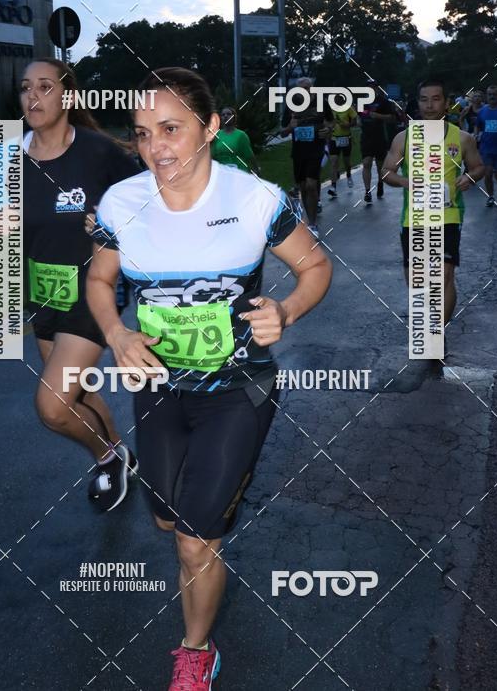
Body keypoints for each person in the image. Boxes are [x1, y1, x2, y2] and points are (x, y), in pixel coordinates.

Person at [86, 67, 332, 690]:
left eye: (171, 129)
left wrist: (287, 309)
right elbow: (98, 280)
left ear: (210, 127)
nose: (156, 148)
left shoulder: (253, 199)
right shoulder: (122, 202)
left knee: (196, 538)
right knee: (169, 522)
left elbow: (315, 266)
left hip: (238, 390)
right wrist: (115, 332)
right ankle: (206, 525)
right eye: (142, 134)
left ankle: (196, 650)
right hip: (158, 388)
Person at [0, 58, 140, 511]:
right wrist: (3, 222)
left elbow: (147, 204)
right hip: (44, 292)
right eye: (26, 88)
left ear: (68, 96)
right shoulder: (9, 154)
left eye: (46, 87)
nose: (33, 96)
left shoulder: (98, 151)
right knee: (78, 392)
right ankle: (120, 454)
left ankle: (108, 457)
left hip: (95, 292)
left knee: (52, 405)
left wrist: (109, 221)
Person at [383, 79, 484, 342]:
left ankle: (435, 332)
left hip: (448, 215)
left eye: (436, 98)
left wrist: (470, 178)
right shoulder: (404, 138)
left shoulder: (462, 138)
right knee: (417, 282)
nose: (429, 105)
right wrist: (407, 182)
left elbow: (478, 167)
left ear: (446, 102)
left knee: (444, 275)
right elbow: (386, 172)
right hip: (414, 218)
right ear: (418, 103)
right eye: (424, 99)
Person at [280, 77, 333, 234]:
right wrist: (290, 126)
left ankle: (312, 223)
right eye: (301, 89)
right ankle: (311, 212)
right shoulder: (291, 105)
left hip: (316, 149)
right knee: (303, 187)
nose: (305, 92)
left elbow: (331, 121)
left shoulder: (322, 102)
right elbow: (282, 132)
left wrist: (328, 130)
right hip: (299, 151)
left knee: (310, 184)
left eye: (307, 89)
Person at [359, 81, 396, 203]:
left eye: (373, 88)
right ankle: (367, 191)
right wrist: (366, 115)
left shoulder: (383, 102)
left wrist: (377, 116)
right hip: (366, 136)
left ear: (377, 89)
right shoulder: (362, 101)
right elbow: (360, 114)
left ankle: (380, 183)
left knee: (380, 165)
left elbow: (392, 117)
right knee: (366, 163)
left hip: (379, 136)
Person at [211, 106, 258, 173]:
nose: (225, 116)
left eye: (228, 114)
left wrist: (256, 169)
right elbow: (212, 155)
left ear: (234, 117)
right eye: (223, 115)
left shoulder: (241, 135)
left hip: (239, 172)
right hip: (222, 172)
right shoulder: (216, 135)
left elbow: (249, 155)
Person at [327, 93, 357, 198]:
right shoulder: (331, 110)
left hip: (346, 138)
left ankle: (348, 175)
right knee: (334, 162)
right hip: (334, 139)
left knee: (347, 162)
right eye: (335, 99)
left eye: (339, 99)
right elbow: (327, 122)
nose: (337, 101)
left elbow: (354, 122)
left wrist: (347, 125)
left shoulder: (348, 109)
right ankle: (333, 187)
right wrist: (330, 127)